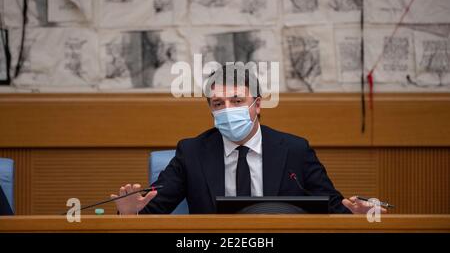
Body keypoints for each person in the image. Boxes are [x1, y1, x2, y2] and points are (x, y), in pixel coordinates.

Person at [111, 63, 386, 215]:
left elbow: (332, 207)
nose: (228, 109)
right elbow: (151, 209)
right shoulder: (192, 152)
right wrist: (129, 213)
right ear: (210, 109)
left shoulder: (294, 150)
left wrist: (354, 216)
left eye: (237, 100)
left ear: (257, 105)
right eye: (218, 104)